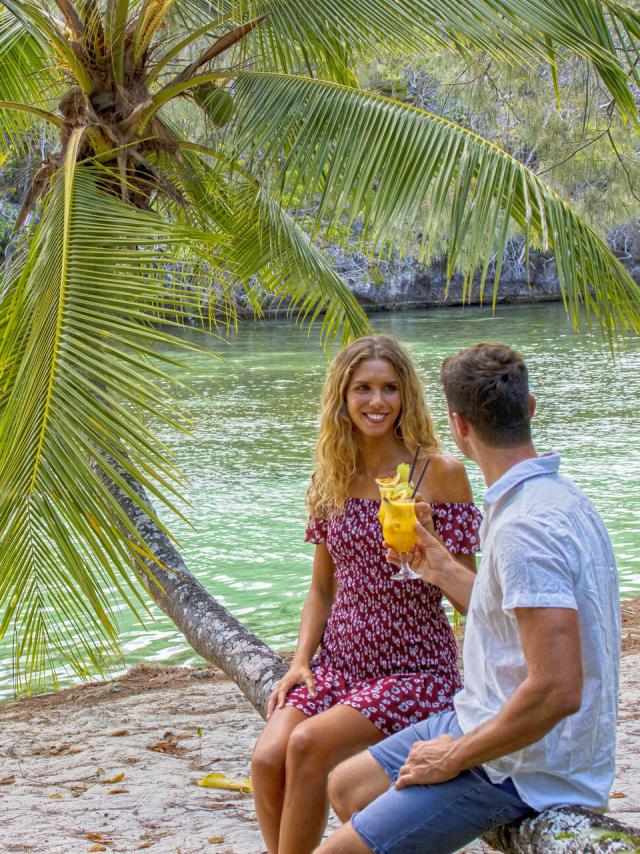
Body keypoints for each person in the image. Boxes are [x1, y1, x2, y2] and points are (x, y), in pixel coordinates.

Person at [317, 342, 621, 854]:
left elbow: (557, 690)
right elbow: (511, 614)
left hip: (525, 765)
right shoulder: (555, 498)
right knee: (348, 786)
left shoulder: (525, 527)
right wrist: (439, 567)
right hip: (483, 715)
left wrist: (454, 755)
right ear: (529, 408)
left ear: (458, 425)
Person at [251, 335, 482, 854]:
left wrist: (433, 555)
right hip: (338, 663)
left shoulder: (439, 473)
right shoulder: (332, 474)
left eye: (389, 388)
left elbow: (472, 600)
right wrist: (300, 661)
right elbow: (321, 588)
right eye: (363, 388)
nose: (377, 401)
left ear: (406, 395)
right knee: (267, 759)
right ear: (343, 395)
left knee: (306, 745)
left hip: (413, 669)